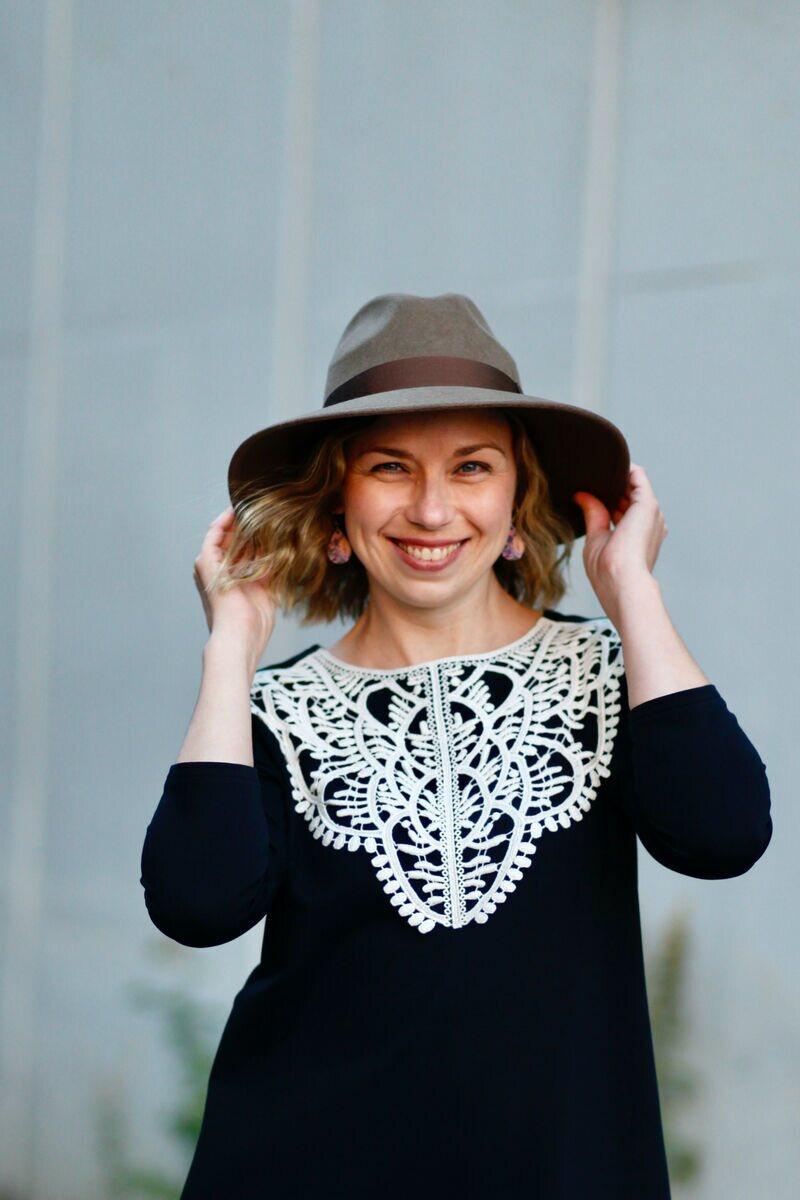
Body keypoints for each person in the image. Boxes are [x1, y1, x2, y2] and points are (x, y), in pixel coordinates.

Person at [139, 293, 772, 1199]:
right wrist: (231, 650)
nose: (432, 509)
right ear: (337, 506)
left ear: (518, 504)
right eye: (389, 468)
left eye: (471, 467)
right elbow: (196, 905)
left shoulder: (610, 674)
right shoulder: (275, 711)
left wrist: (631, 592)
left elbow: (723, 834)